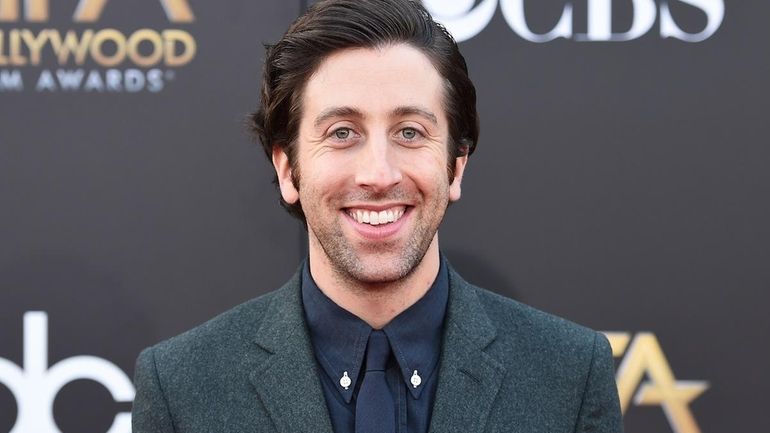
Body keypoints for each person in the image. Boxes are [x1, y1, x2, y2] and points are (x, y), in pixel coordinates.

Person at [131, 0, 623, 432]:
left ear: (456, 166)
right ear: (287, 169)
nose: (379, 174)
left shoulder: (569, 373)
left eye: (410, 132)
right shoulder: (182, 385)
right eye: (342, 133)